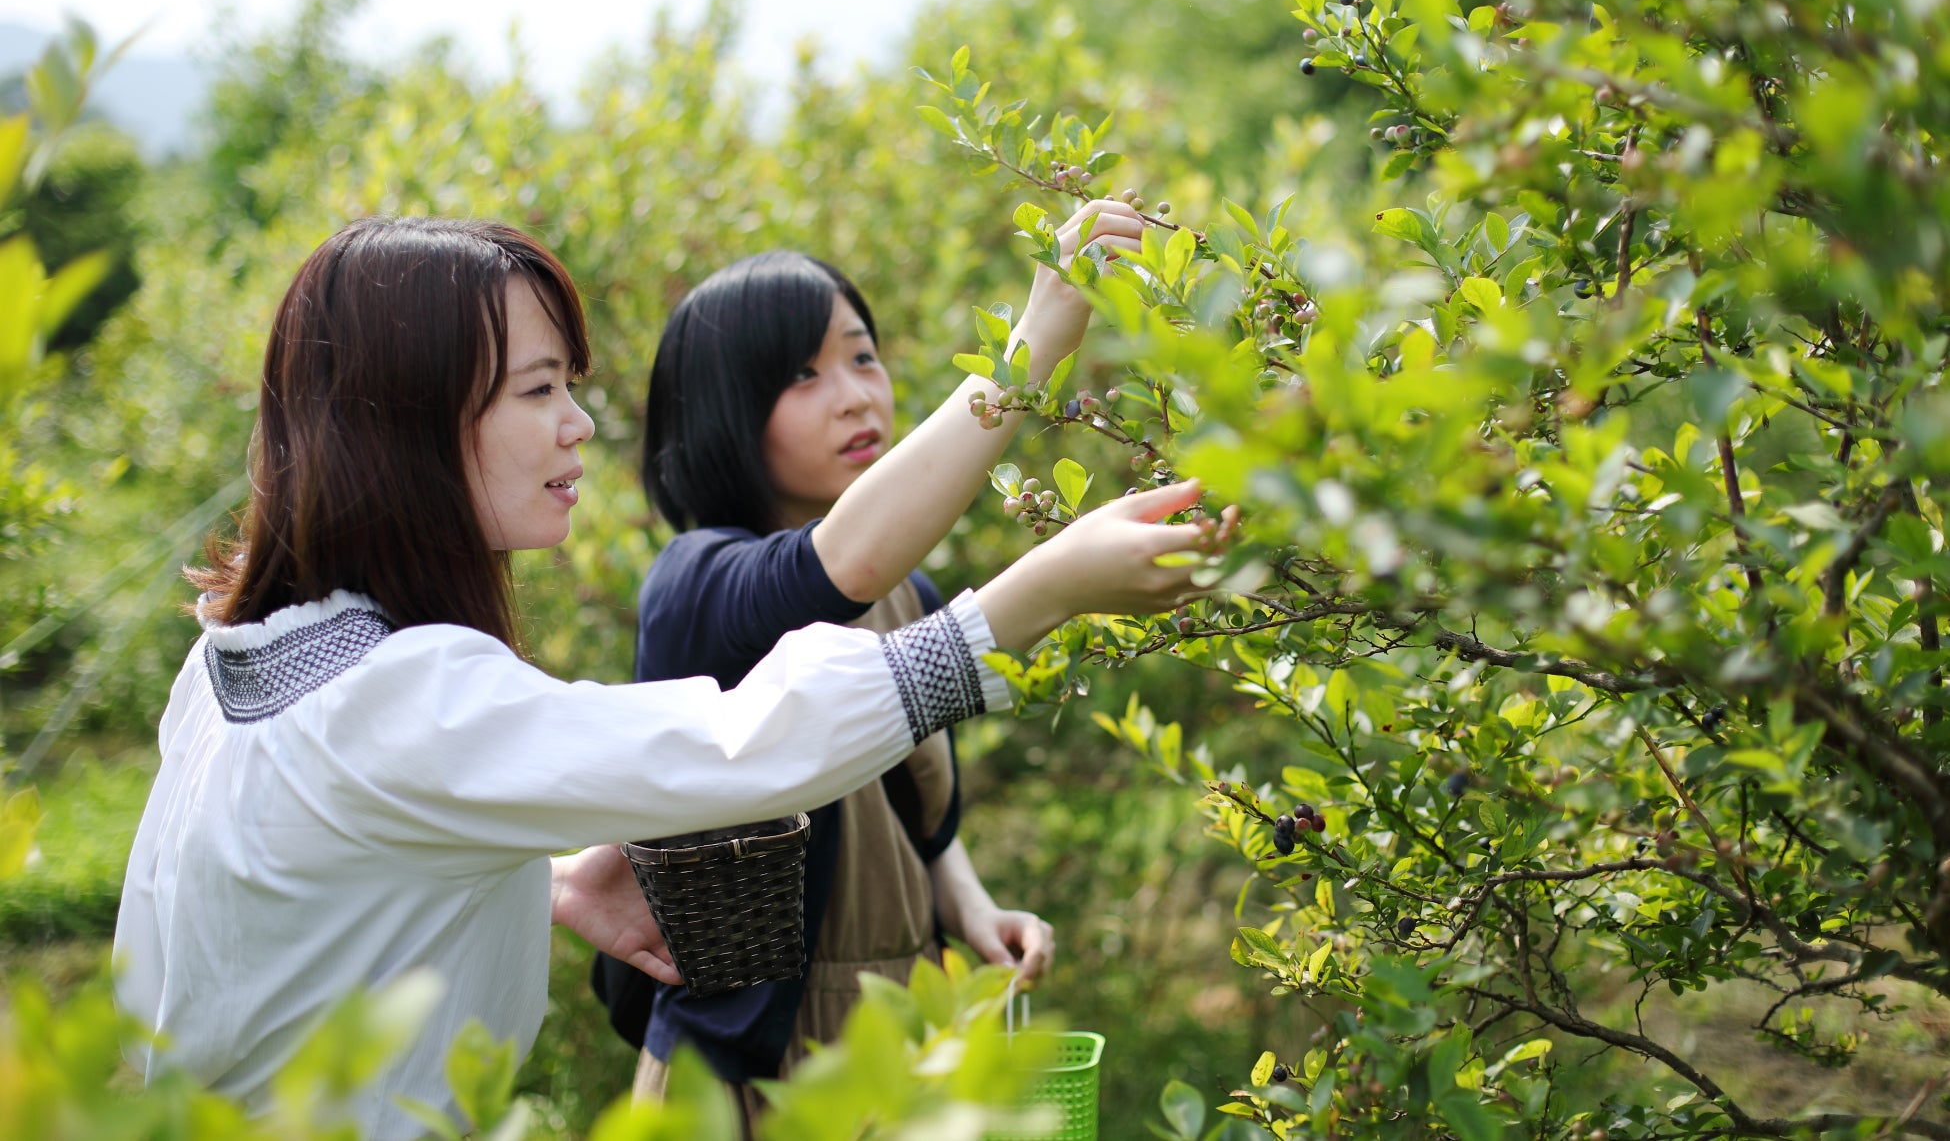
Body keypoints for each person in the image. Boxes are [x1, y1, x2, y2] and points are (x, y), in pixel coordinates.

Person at [111, 215, 1208, 1141]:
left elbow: (290, 889)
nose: (579, 423)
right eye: (539, 389)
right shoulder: (402, 691)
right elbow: (750, 744)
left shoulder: (236, 667)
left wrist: (537, 873)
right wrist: (1037, 592)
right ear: (409, 428)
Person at [595, 202, 1148, 1118]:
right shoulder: (697, 588)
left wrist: (970, 906)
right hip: (753, 1075)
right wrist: (1034, 343)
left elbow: (912, 806)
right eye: (801, 375)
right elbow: (835, 564)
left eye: (861, 355)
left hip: (900, 1050)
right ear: (726, 416)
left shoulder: (907, 595)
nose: (856, 393)